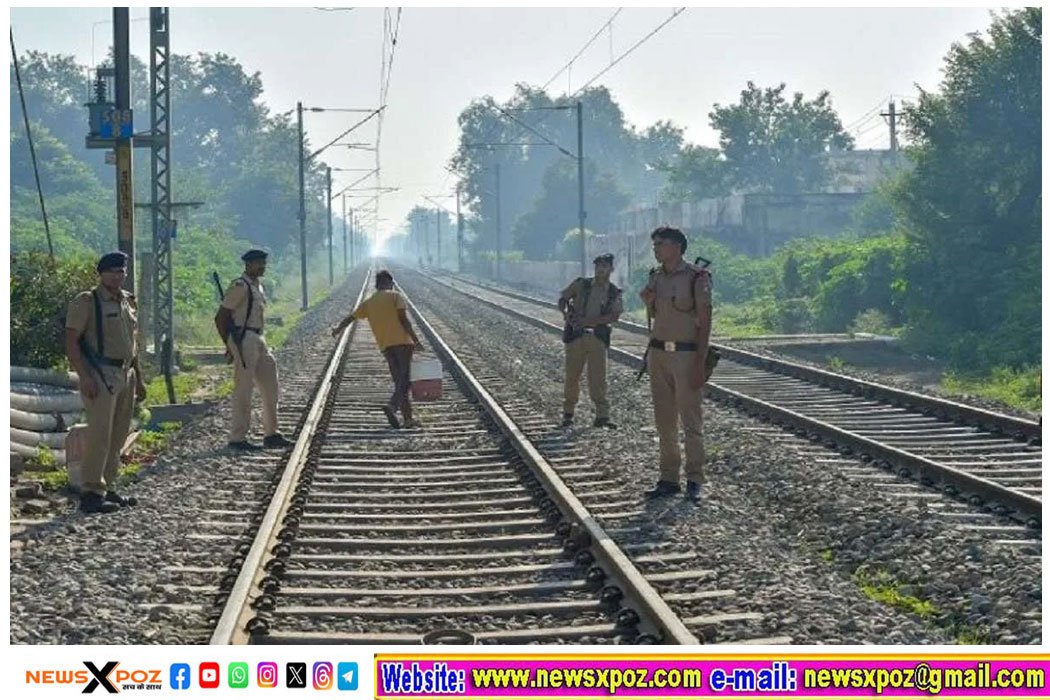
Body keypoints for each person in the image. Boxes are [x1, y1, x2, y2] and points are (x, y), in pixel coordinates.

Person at [64, 251, 146, 514]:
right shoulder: (88, 301)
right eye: (112, 271)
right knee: (99, 434)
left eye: (121, 271)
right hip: (100, 373)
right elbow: (71, 342)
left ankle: (107, 486)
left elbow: (133, 346)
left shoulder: (127, 301)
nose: (118, 275)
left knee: (119, 433)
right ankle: (90, 492)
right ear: (101, 273)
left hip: (125, 373)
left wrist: (140, 379)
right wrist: (84, 376)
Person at [638, 227, 712, 504]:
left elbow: (705, 321)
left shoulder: (696, 277)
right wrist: (649, 301)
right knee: (664, 421)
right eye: (654, 243)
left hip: (686, 355)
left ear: (677, 246)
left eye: (661, 244)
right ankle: (668, 478)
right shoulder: (655, 277)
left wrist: (699, 363)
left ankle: (695, 479)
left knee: (691, 421)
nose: (656, 248)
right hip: (658, 354)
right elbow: (657, 315)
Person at [214, 249, 293, 451]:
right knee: (244, 389)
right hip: (244, 338)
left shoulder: (257, 286)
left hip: (258, 337)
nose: (262, 267)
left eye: (263, 263)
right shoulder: (240, 286)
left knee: (270, 385)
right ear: (248, 265)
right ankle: (238, 438)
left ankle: (271, 433)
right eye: (259, 263)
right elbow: (221, 317)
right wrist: (230, 344)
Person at [331, 270, 425, 429]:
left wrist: (338, 329)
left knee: (399, 382)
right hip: (403, 343)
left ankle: (408, 419)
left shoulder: (369, 302)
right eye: (392, 283)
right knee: (406, 380)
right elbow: (403, 319)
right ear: (388, 282)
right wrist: (416, 340)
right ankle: (392, 406)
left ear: (377, 284)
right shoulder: (395, 296)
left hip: (386, 345)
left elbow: (351, 318)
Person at [557, 253, 623, 428]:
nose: (600, 269)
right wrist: (566, 313)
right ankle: (568, 413)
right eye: (598, 265)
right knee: (572, 376)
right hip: (576, 337)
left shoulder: (613, 292)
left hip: (597, 338)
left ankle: (602, 415)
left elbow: (615, 315)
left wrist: (592, 322)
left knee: (598, 378)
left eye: (604, 266)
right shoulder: (581, 284)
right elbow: (563, 298)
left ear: (611, 269)